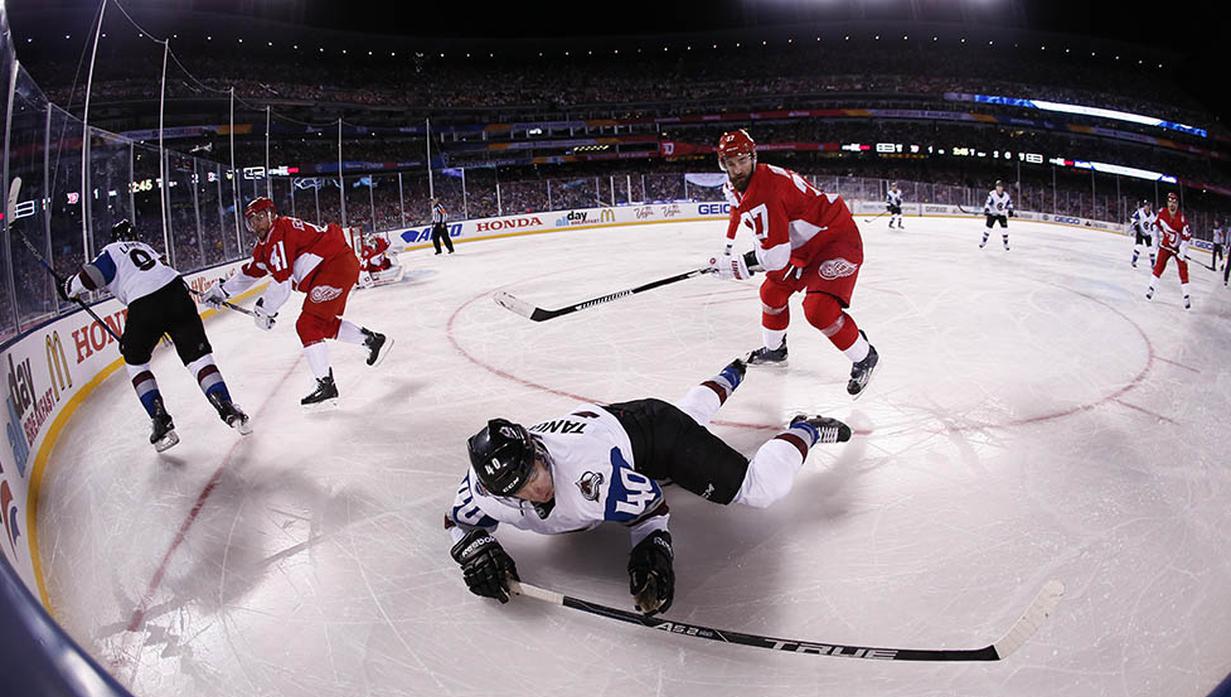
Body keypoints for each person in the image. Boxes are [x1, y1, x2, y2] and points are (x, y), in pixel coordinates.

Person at [445, 358, 851, 613]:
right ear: (495, 493)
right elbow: (458, 521)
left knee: (759, 488)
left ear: (538, 451)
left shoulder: (590, 476)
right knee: (688, 419)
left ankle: (806, 428)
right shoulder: (482, 490)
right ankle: (729, 374)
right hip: (614, 427)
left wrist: (652, 548)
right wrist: (475, 549)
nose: (537, 491)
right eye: (519, 490)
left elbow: (651, 506)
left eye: (535, 472)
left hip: (653, 434)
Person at [708, 129, 879, 399]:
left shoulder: (763, 190)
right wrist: (742, 258)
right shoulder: (738, 187)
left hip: (834, 238)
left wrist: (737, 265)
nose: (737, 169)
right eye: (731, 163)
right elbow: (767, 238)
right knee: (771, 292)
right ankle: (775, 350)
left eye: (742, 160)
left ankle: (865, 356)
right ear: (723, 164)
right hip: (800, 246)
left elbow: (775, 257)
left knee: (819, 309)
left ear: (753, 158)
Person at [57, 219, 250, 452]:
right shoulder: (147, 249)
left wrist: (68, 288)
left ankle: (160, 418)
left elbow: (92, 276)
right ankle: (226, 406)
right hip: (177, 293)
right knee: (199, 360)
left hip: (144, 304)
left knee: (136, 362)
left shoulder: (113, 250)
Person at [202, 197, 393, 407]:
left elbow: (282, 282)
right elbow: (251, 271)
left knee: (307, 325)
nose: (256, 224)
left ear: (271, 215)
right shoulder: (268, 241)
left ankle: (326, 385)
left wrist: (265, 310)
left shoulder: (278, 234)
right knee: (319, 325)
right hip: (334, 266)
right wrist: (221, 291)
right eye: (252, 221)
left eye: (260, 217)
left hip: (334, 267)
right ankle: (372, 340)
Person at [1145, 192, 1193, 309]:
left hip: (1178, 248)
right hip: (1166, 246)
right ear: (1167, 203)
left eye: (1174, 202)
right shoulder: (1162, 213)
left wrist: (1182, 251)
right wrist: (1155, 238)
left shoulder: (1182, 219)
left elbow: (1187, 237)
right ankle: (1151, 288)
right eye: (1170, 202)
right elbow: (1155, 225)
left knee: (1183, 269)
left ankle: (1186, 296)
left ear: (1177, 204)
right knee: (1159, 266)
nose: (1172, 204)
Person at [980, 179, 1015, 251]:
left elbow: (1009, 204)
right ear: (996, 187)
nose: (999, 188)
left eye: (1000, 186)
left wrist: (1010, 210)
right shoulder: (992, 194)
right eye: (998, 186)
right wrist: (986, 209)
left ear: (1002, 187)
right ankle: (984, 241)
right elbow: (988, 203)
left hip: (1001, 214)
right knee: (988, 229)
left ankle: (1005, 243)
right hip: (992, 214)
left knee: (1005, 230)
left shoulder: (1006, 196)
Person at [1129, 199, 1157, 270]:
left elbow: (1154, 224)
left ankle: (1153, 264)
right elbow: (1133, 218)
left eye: (1147, 205)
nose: (1146, 207)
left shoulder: (1152, 215)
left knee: (1151, 249)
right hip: (1140, 232)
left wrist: (1153, 231)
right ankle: (1134, 261)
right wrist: (1136, 224)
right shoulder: (1140, 212)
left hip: (1148, 234)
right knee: (1138, 246)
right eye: (1145, 205)